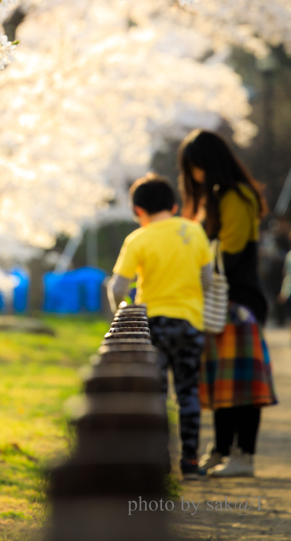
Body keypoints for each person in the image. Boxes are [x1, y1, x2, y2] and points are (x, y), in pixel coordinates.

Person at [178, 129, 277, 478]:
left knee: (242, 380)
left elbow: (230, 252)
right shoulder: (215, 197)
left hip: (237, 300)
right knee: (221, 377)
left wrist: (195, 254)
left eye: (195, 167)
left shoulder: (234, 196)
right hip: (218, 301)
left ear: (209, 164)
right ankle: (221, 448)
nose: (193, 175)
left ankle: (243, 454)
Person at [108, 173, 213, 479]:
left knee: (156, 395)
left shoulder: (138, 239)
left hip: (152, 324)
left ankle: (161, 462)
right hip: (190, 322)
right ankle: (191, 462)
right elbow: (207, 278)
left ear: (138, 211)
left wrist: (121, 312)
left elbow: (117, 288)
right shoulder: (194, 231)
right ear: (174, 204)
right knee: (188, 391)